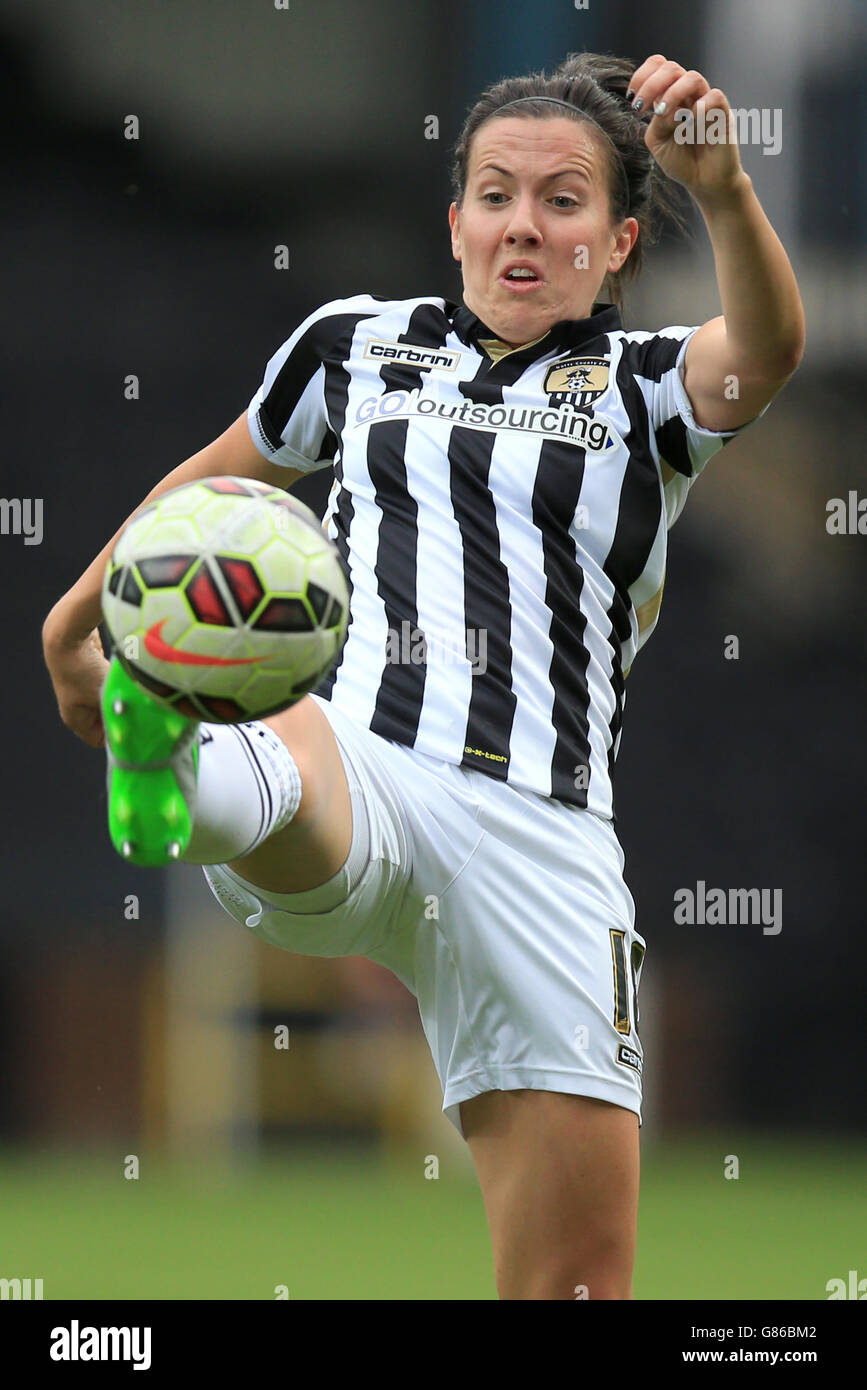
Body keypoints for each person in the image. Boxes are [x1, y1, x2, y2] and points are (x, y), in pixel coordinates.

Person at [42, 50, 805, 1299]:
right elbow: (210, 490)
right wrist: (75, 621)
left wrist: (722, 190)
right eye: (495, 192)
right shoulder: (353, 345)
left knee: (579, 1282)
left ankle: (188, 760)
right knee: (288, 746)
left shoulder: (650, 385)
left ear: (617, 242)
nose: (523, 223)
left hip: (545, 840)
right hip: (368, 766)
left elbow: (767, 351)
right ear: (454, 220)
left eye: (564, 200)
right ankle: (172, 759)